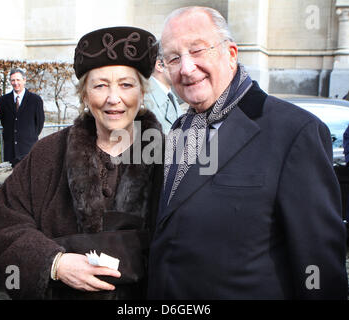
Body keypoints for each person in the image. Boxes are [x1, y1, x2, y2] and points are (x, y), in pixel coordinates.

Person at [147, 6, 348, 299]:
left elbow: (317, 261)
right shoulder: (178, 131)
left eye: (198, 50)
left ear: (231, 54)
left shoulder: (295, 131)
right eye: (174, 58)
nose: (186, 68)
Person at [0, 26, 163, 300]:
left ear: (142, 91)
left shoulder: (171, 160)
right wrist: (55, 264)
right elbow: (2, 228)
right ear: (84, 95)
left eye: (126, 84)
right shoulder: (47, 154)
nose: (114, 98)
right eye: (100, 85)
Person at [0, 68, 45, 167]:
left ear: (24, 80)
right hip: (10, 150)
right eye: (13, 80)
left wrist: (28, 136)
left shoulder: (35, 100)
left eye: (18, 80)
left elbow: (39, 123)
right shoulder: (3, 100)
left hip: (28, 149)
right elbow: (3, 121)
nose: (15, 83)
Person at [144, 50, 183, 134]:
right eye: (176, 62)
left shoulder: (169, 94)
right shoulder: (145, 101)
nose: (183, 69)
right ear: (159, 66)